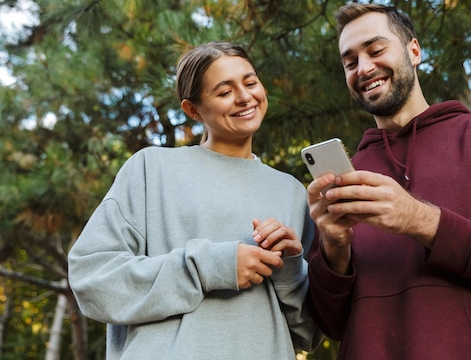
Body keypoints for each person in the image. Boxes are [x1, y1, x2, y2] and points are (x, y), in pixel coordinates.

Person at [306, 3, 471, 360]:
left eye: (375, 50)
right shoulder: (348, 181)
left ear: (414, 51)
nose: (364, 68)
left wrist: (420, 220)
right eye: (350, 61)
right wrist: (334, 249)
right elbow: (332, 324)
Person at [68, 41, 321, 360]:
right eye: (225, 91)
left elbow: (307, 333)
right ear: (193, 109)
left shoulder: (292, 192)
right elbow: (92, 281)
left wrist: (289, 268)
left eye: (250, 82)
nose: (245, 97)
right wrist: (211, 266)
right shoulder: (151, 168)